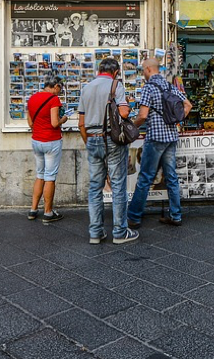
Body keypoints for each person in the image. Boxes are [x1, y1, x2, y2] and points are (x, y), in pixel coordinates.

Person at [77, 57, 138, 244]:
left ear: (99, 70)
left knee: (95, 187)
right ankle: (120, 232)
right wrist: (127, 103)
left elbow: (81, 123)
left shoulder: (86, 88)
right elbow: (124, 113)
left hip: (93, 139)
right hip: (111, 140)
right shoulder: (115, 85)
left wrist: (90, 142)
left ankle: (96, 232)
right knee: (118, 185)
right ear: (116, 72)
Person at [128, 58, 192, 228]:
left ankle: (134, 216)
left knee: (145, 178)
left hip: (156, 138)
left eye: (143, 70)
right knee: (171, 177)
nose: (143, 74)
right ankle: (175, 215)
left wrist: (132, 127)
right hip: (171, 137)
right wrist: (177, 120)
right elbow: (188, 105)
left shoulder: (149, 88)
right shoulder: (169, 86)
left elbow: (142, 115)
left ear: (149, 69)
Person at [26, 73, 70, 224]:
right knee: (50, 177)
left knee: (40, 174)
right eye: (60, 89)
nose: (59, 92)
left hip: (36, 140)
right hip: (51, 141)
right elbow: (54, 123)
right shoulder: (54, 99)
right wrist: (63, 119)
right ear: (56, 86)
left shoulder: (32, 98)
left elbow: (30, 123)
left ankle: (33, 210)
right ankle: (48, 212)